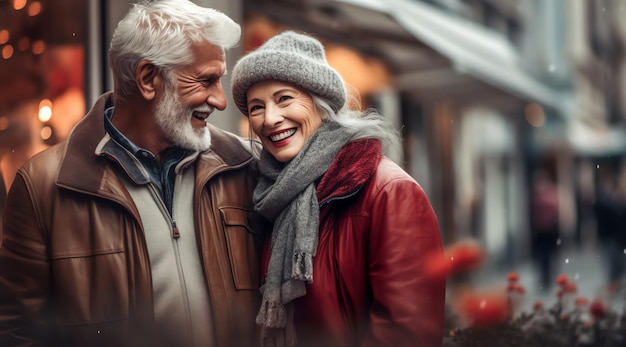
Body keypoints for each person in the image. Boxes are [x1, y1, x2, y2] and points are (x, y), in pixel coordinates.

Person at [0, 1, 266, 346]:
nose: (220, 100)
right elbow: (18, 333)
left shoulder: (245, 165)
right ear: (147, 79)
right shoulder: (43, 186)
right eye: (206, 80)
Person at [231, 30, 446, 347]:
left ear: (321, 104)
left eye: (284, 99)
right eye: (256, 107)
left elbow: (405, 334)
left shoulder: (390, 192)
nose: (270, 119)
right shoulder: (272, 196)